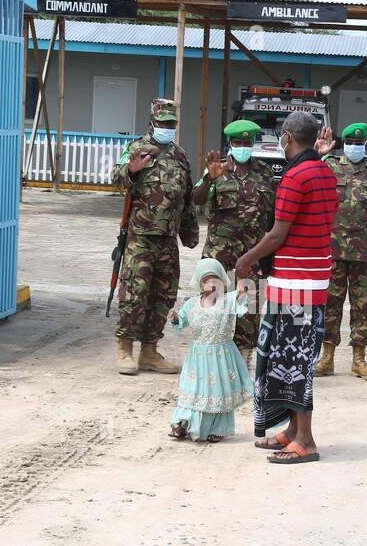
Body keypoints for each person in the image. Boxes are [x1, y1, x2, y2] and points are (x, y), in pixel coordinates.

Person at [236, 111, 338, 464]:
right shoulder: (324, 171)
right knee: (289, 357)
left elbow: (277, 233)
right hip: (311, 280)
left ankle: (305, 440)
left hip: (296, 283)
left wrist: (245, 260)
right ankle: (293, 432)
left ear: (287, 137)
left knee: (293, 361)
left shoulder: (296, 176)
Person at [110, 98, 199, 375]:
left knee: (164, 295)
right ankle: (125, 349)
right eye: (163, 123)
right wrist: (130, 171)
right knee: (134, 294)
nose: (167, 128)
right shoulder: (136, 148)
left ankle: (150, 350)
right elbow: (115, 177)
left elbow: (185, 199)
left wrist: (189, 232)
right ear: (152, 123)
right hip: (141, 237)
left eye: (171, 124)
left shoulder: (181, 156)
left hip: (168, 239)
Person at [314, 122, 367, 381]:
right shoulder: (327, 166)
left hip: (365, 252)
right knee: (330, 305)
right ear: (343, 143)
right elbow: (304, 180)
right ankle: (326, 357)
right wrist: (317, 156)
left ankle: (359, 359)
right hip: (332, 250)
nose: (355, 147)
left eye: (359, 143)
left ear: (366, 144)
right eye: (350, 142)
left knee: (361, 306)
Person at [193, 119, 275, 364]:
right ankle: (210, 359)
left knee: (249, 310)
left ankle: (242, 360)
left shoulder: (265, 172)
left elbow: (270, 214)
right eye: (238, 142)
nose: (242, 146)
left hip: (253, 252)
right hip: (220, 252)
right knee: (213, 306)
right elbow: (196, 199)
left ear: (252, 144)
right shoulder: (217, 170)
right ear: (230, 143)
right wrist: (209, 179)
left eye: (247, 142)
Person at [166, 258, 253, 442]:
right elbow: (181, 322)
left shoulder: (227, 301)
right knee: (192, 390)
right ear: (200, 283)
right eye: (207, 280)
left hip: (221, 358)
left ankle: (220, 428)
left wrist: (242, 283)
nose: (212, 284)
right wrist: (174, 318)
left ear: (222, 281)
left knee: (218, 392)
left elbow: (240, 297)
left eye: (216, 279)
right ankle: (182, 423)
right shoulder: (191, 304)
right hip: (197, 358)